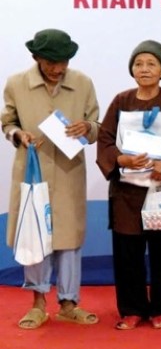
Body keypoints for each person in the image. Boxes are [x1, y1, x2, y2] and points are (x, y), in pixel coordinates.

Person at [2, 29, 100, 329]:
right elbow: (7, 122)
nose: (59, 69)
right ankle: (37, 303)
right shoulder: (17, 83)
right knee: (35, 235)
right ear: (36, 58)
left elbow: (97, 125)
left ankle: (69, 303)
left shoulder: (82, 83)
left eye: (64, 62)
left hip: (69, 172)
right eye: (51, 63)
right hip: (33, 171)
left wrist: (87, 128)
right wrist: (18, 134)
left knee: (69, 240)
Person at [96, 40, 161, 329]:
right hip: (127, 194)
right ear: (131, 70)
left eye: (152, 64)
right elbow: (105, 139)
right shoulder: (122, 101)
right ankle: (131, 309)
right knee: (127, 253)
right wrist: (121, 159)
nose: (144, 69)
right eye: (138, 64)